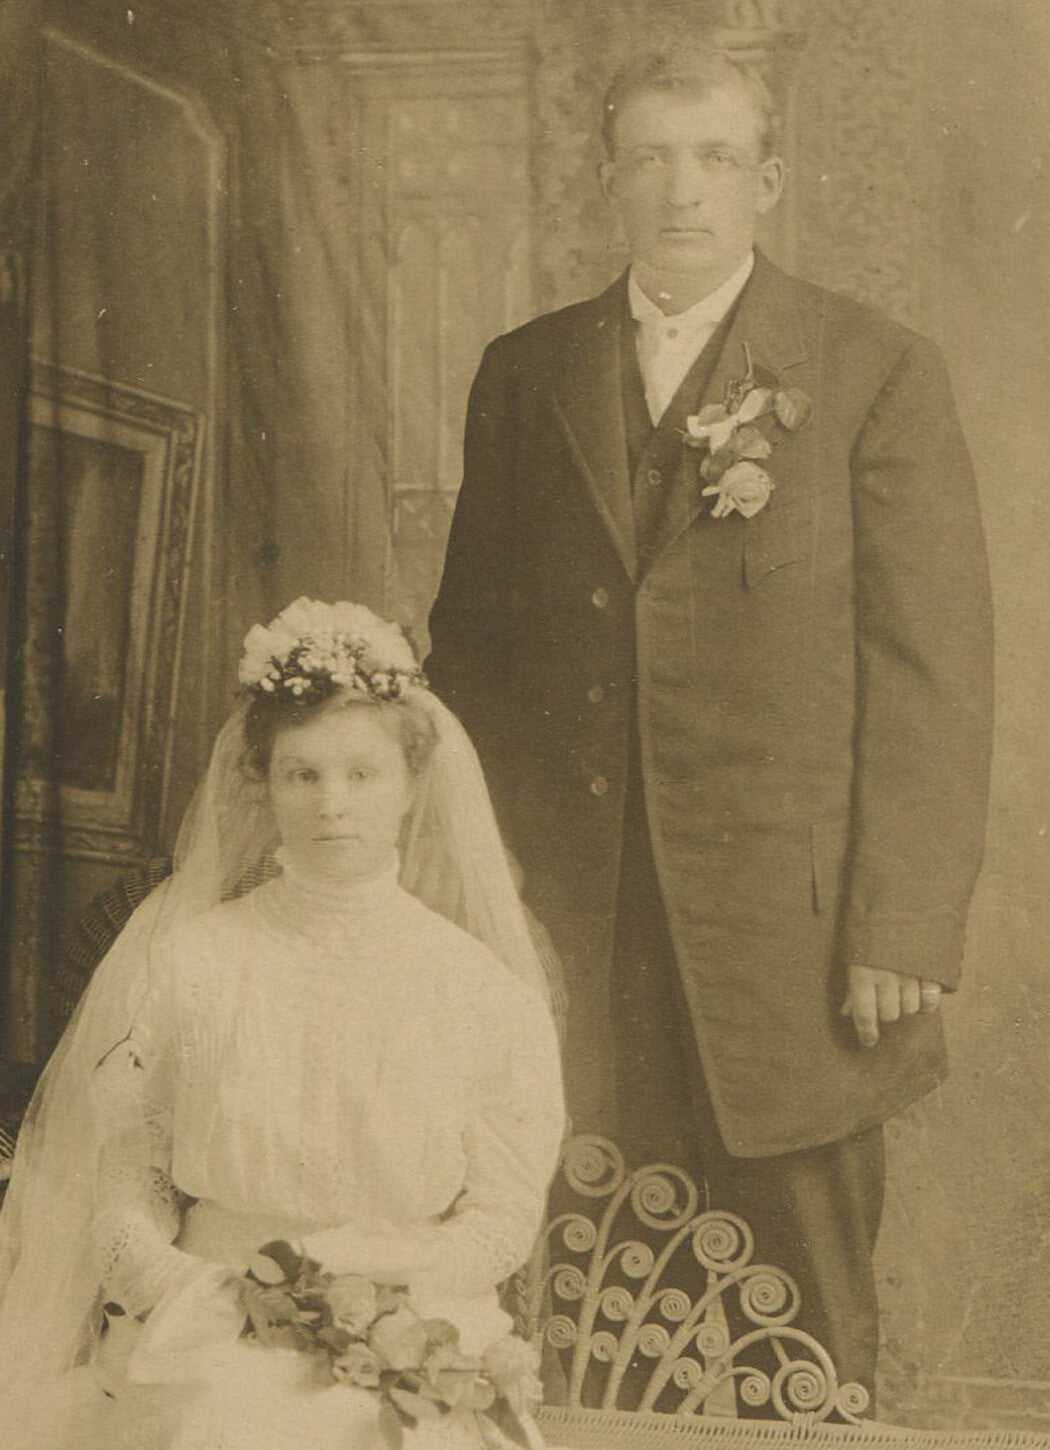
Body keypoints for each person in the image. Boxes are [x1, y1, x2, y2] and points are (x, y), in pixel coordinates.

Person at [426, 46, 994, 1403]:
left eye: (716, 157)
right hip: (577, 926)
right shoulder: (527, 371)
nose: (682, 189)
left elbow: (932, 671)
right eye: (650, 157)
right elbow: (474, 655)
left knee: (801, 1333)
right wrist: (480, 902)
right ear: (606, 179)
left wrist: (899, 925)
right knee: (599, 1302)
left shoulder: (870, 369)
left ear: (767, 181)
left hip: (792, 946)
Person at [0, 597, 565, 1449]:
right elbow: (128, 1178)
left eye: (362, 774)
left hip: (408, 1330)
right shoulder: (189, 962)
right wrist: (202, 1293)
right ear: (263, 784)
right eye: (302, 774)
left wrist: (376, 1298)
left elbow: (501, 1216)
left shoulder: (477, 989)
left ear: (412, 785)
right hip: (202, 1329)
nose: (332, 804)